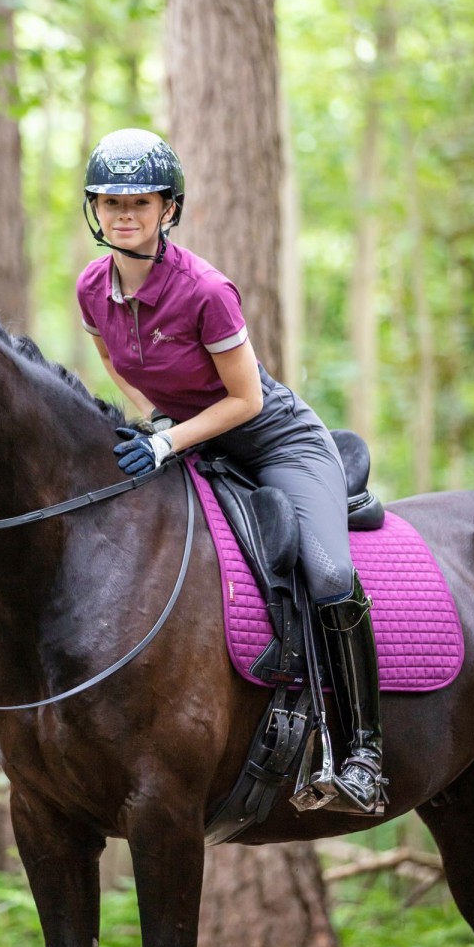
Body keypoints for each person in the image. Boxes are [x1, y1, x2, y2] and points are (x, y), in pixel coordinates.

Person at [77, 127, 385, 817]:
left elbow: (245, 400)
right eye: (110, 201)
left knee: (331, 576)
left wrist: (165, 443)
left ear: (168, 210)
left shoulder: (207, 291)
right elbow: (118, 369)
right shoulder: (91, 289)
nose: (124, 214)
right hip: (195, 444)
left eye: (140, 202)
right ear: (94, 209)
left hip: (276, 443)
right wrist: (163, 427)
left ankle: (363, 753)